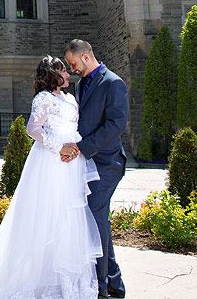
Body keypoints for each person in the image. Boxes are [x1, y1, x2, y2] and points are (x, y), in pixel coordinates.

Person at [0, 56, 101, 299]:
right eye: (63, 71)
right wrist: (60, 148)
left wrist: (76, 148)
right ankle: (39, 278)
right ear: (52, 74)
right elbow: (33, 129)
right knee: (49, 212)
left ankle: (65, 280)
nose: (69, 74)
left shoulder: (69, 98)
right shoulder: (43, 98)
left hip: (73, 162)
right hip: (52, 161)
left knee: (70, 214)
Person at [62, 39, 128, 299]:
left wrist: (81, 147)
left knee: (94, 220)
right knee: (98, 222)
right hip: (88, 165)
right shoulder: (81, 85)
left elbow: (116, 126)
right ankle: (114, 284)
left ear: (86, 57)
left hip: (107, 164)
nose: (72, 69)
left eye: (73, 64)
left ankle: (99, 287)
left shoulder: (113, 83)